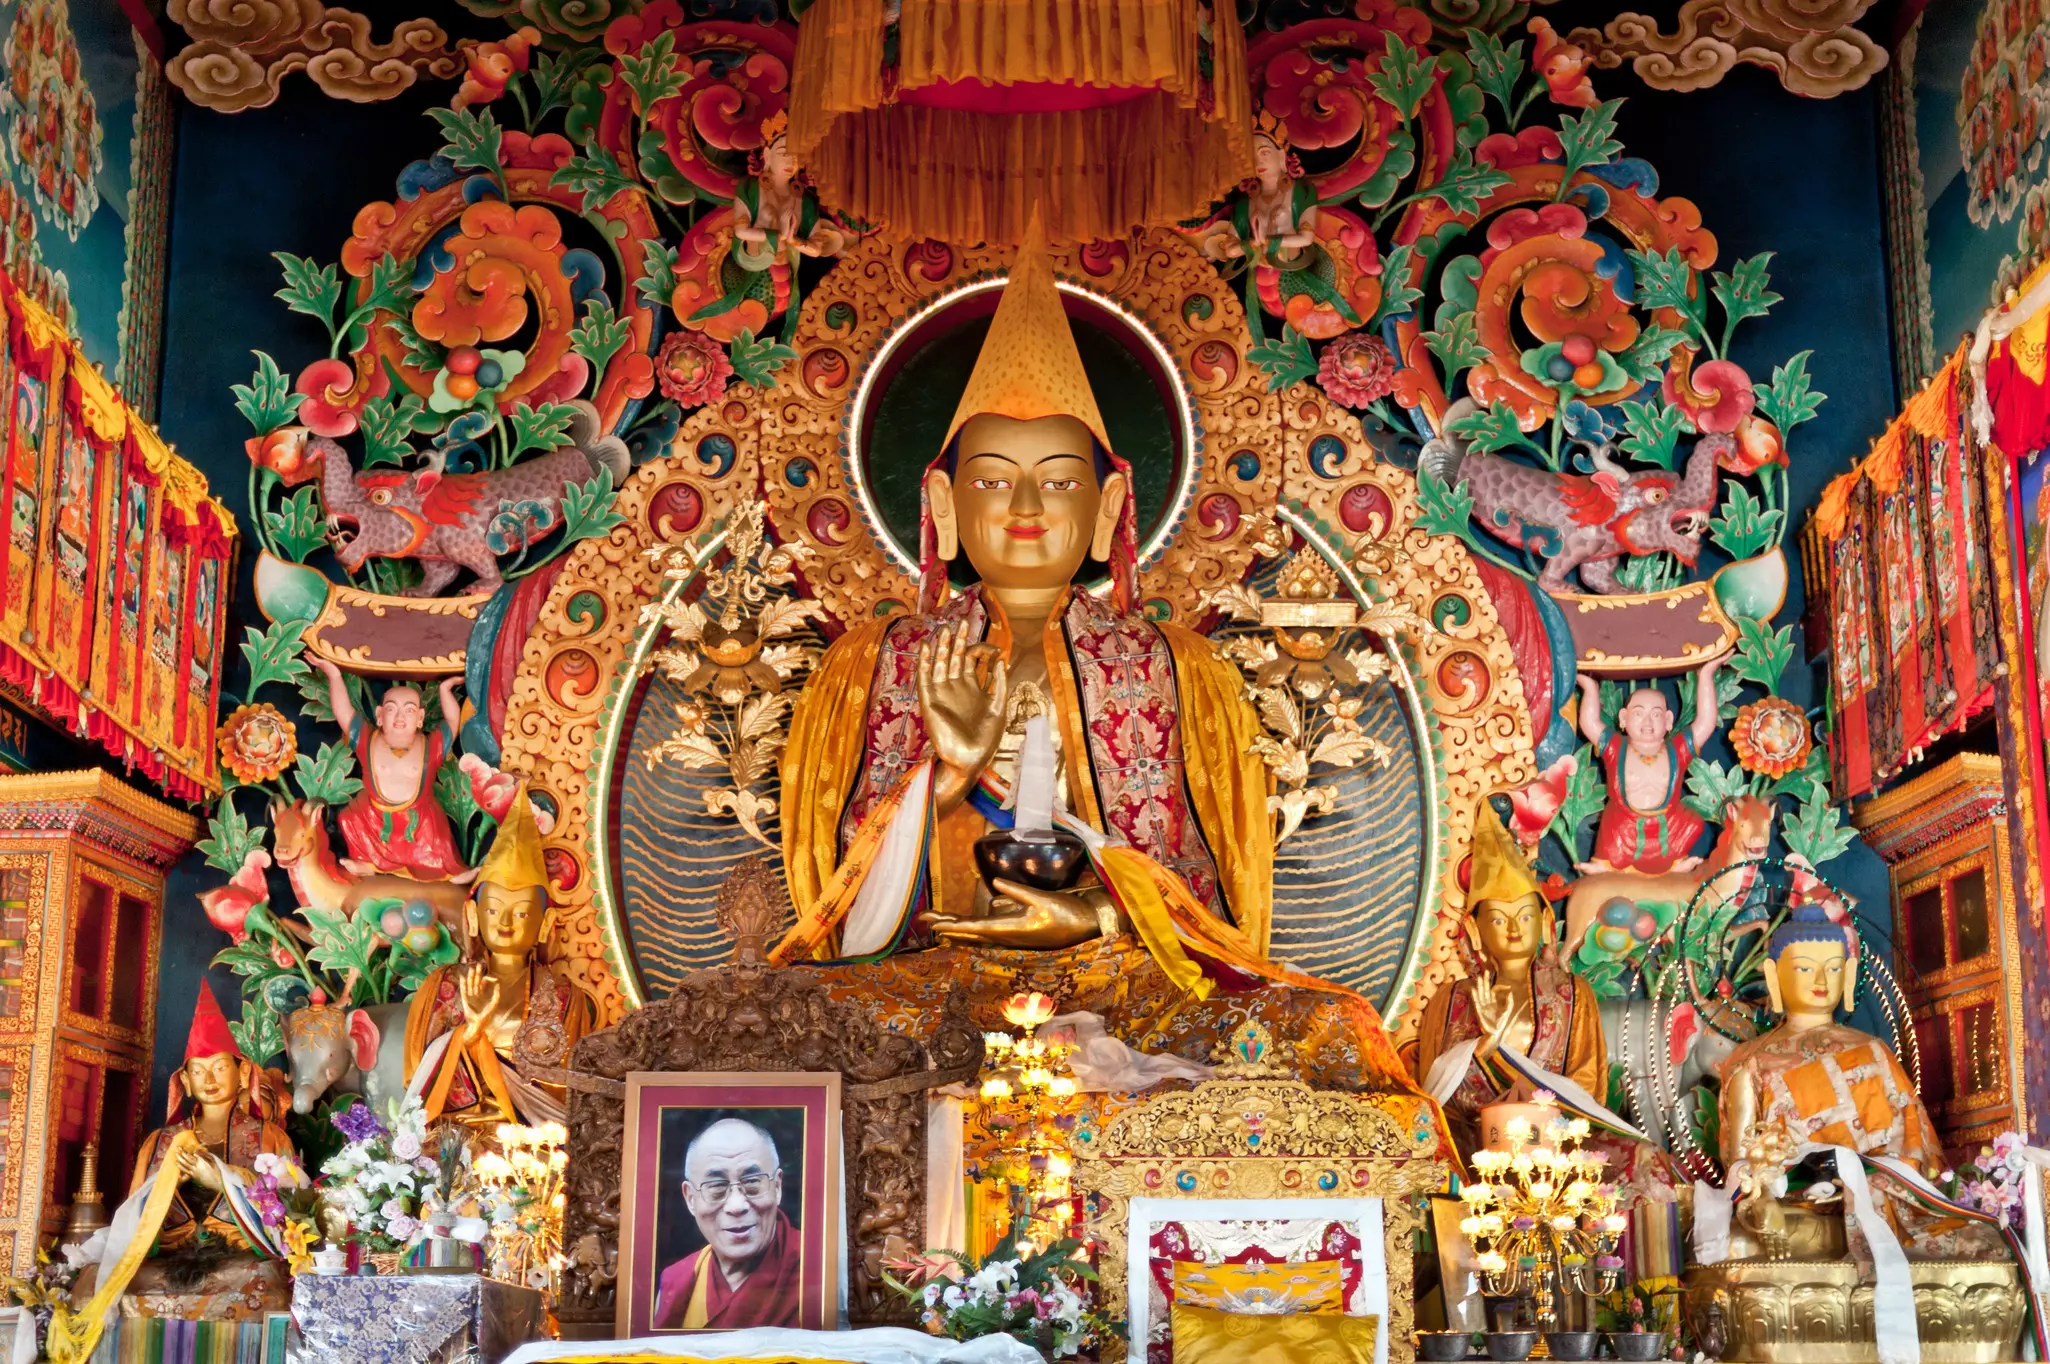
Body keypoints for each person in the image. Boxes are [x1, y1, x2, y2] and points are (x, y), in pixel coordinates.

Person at [1404, 804, 1605, 1155]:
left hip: (1555, 1149)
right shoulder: (1452, 1000)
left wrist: (1538, 1117)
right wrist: (1485, 1048)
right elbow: (1436, 1100)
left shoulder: (1572, 994)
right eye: (1498, 920)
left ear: (1544, 921)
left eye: (1525, 917)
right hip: (1473, 1149)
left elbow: (1587, 1089)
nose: (1514, 930)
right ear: (1474, 930)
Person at [405, 789, 596, 1126]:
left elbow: (568, 1093)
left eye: (521, 914)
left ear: (544, 924)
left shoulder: (566, 999)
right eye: (493, 910)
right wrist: (470, 1033)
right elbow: (419, 1083)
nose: (505, 923)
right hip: (456, 1135)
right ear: (474, 917)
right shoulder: (445, 986)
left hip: (534, 1142)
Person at [130, 985, 296, 1253]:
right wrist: (168, 1183)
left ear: (242, 1073)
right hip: (172, 1256)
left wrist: (222, 1181)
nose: (209, 1080)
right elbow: (133, 1225)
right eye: (198, 1071)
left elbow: (292, 1215)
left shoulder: (271, 1138)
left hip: (243, 1256)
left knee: (265, 1283)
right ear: (185, 1080)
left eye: (219, 1068)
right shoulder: (160, 1142)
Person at [309, 653, 467, 880]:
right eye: (392, 709)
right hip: (374, 817)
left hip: (418, 819)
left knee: (437, 836)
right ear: (380, 715)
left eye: (410, 710)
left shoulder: (430, 746)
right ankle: (367, 863)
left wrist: (445, 690)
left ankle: (447, 871)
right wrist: (334, 675)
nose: (400, 717)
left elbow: (452, 721)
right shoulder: (368, 740)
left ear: (421, 718)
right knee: (348, 819)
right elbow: (344, 712)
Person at [1574, 656, 1721, 875]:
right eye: (1638, 713)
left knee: (1693, 823)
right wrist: (1590, 687)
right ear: (1623, 719)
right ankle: (1605, 864)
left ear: (1669, 721)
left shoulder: (1677, 749)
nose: (1648, 722)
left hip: (1667, 825)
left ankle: (1674, 862)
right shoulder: (1616, 747)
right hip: (1624, 825)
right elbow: (1590, 723)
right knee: (1611, 825)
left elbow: (1705, 722)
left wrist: (1706, 675)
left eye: (1656, 715)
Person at [653, 1117, 800, 1329]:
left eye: (752, 1182)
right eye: (716, 1186)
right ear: (690, 1199)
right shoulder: (676, 1282)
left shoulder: (816, 1267)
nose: (736, 1205)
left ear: (777, 1187)